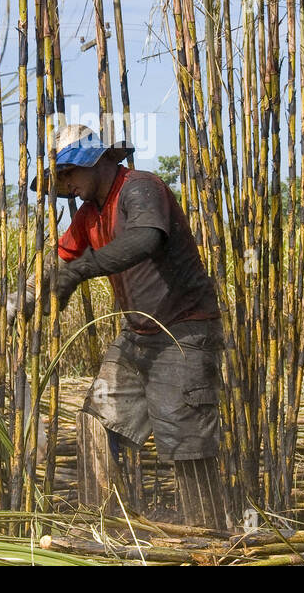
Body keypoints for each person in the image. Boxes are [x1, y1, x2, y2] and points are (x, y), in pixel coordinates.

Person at [29, 123, 229, 529]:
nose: (67, 185)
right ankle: (109, 528)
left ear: (97, 161)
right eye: (60, 178)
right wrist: (25, 294)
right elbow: (59, 260)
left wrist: (83, 269)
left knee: (186, 438)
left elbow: (145, 239)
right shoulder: (88, 215)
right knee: (97, 422)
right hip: (137, 336)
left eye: (69, 173)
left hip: (182, 332)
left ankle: (207, 537)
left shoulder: (140, 188)